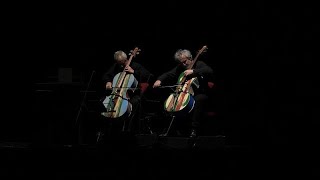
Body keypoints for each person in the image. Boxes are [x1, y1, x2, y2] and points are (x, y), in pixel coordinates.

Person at [153, 48, 214, 138]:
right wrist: (159, 80)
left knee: (199, 99)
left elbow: (209, 70)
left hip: (200, 92)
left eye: (185, 61)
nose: (183, 64)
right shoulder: (181, 67)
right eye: (181, 63)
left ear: (190, 58)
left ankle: (194, 129)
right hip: (185, 93)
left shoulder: (199, 64)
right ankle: (171, 128)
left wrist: (194, 71)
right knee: (169, 102)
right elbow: (168, 74)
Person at [99, 49, 152, 143]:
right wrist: (108, 81)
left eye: (122, 63)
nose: (121, 65)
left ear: (126, 59)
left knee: (135, 102)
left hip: (132, 95)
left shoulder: (136, 65)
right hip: (117, 94)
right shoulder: (117, 66)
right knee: (102, 101)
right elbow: (106, 75)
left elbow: (148, 75)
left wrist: (134, 72)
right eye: (118, 63)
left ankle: (129, 129)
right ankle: (106, 131)